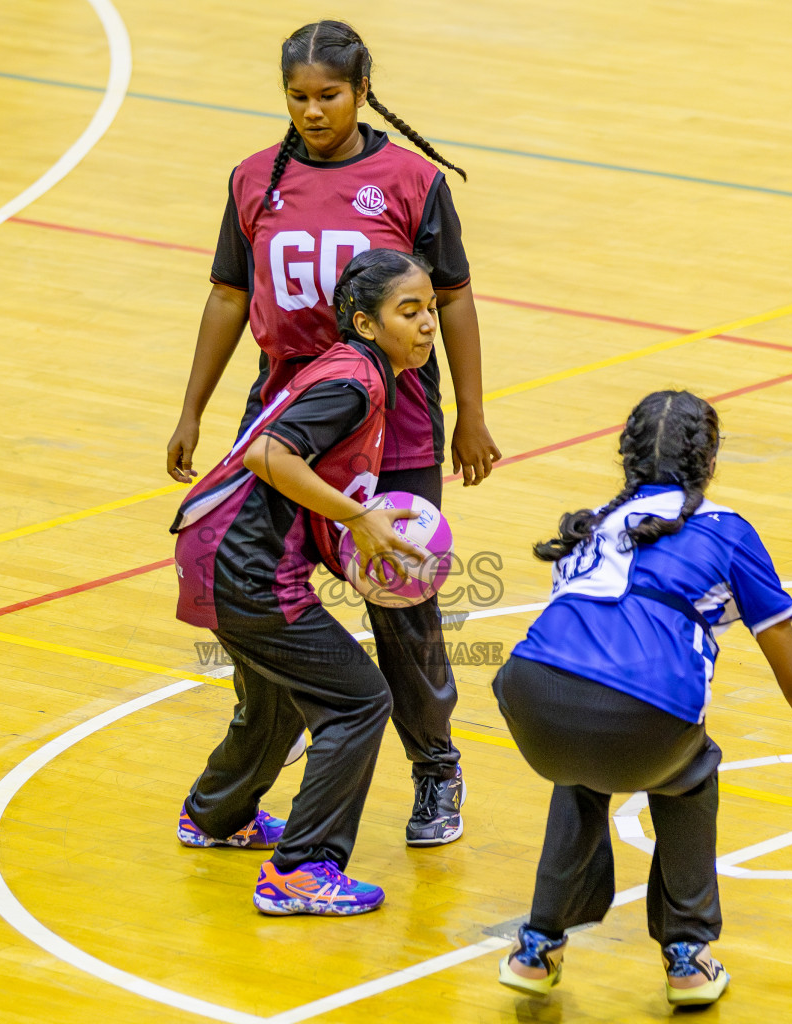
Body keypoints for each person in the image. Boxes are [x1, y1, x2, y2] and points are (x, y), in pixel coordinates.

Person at [166, 20, 502, 846]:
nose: (314, 111)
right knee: (264, 602)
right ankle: (243, 780)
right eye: (298, 97)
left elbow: (450, 299)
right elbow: (227, 296)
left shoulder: (410, 181)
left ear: (362, 91)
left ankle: (435, 768)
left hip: (398, 429)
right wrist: (193, 408)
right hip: (288, 425)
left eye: (330, 95)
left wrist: (472, 413)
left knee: (402, 603)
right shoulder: (254, 180)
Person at [490, 391, 792, 1008]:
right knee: (689, 774)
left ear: (626, 457)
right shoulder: (727, 532)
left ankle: (537, 945)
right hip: (637, 717)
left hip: (529, 699)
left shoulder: (587, 526)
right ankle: (686, 956)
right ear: (710, 459)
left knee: (586, 769)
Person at [171, 249, 437, 915]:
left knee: (279, 698)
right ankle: (301, 870)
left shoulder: (359, 372)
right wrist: (359, 517)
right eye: (410, 312)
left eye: (431, 308)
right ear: (366, 324)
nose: (428, 324)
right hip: (244, 564)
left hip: (218, 550)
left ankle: (216, 815)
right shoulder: (356, 384)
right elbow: (267, 454)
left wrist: (354, 547)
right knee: (358, 701)